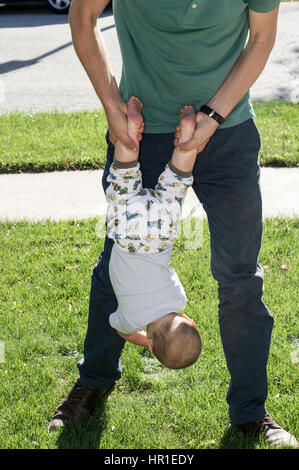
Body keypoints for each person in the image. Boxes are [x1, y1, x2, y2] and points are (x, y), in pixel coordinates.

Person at [49, 0, 298, 449]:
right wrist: (111, 107)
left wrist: (213, 118)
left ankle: (250, 411)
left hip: (228, 131)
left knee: (240, 276)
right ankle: (95, 381)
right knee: (114, 268)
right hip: (140, 129)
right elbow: (83, 16)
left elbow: (261, 39)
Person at [106, 97, 202, 369]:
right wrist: (148, 340)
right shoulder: (131, 318)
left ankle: (186, 139)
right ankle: (130, 132)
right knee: (124, 177)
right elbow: (123, 332)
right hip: (126, 234)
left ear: (188, 320)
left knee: (175, 183)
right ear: (150, 343)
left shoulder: (178, 299)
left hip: (160, 235)